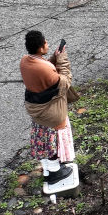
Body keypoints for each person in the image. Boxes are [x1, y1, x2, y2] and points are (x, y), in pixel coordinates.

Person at [20, 31, 76, 183]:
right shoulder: (43, 68)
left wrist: (53, 58)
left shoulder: (25, 60)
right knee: (54, 143)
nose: (48, 44)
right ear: (40, 48)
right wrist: (62, 59)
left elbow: (45, 69)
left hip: (35, 108)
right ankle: (55, 172)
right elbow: (65, 82)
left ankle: (47, 170)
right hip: (50, 112)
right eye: (45, 43)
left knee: (43, 142)